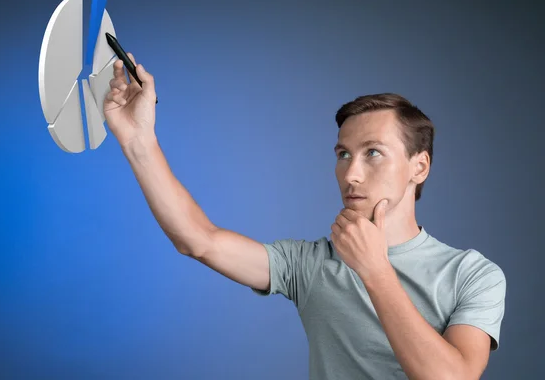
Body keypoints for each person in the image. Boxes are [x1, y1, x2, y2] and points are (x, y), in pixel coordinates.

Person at [103, 53, 506, 380]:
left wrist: (376, 272)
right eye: (343, 154)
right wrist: (139, 140)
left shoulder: (473, 274)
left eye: (373, 152)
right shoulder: (311, 264)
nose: (351, 173)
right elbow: (198, 239)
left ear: (419, 167)